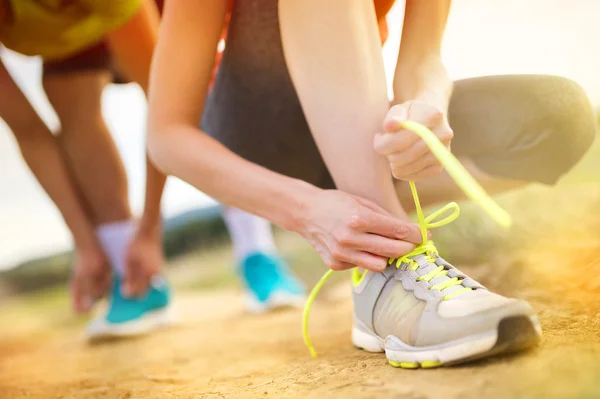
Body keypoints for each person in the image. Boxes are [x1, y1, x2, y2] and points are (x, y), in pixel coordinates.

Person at [142, 0, 596, 366]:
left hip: (353, 125)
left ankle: (371, 224)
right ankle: (390, 269)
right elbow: (166, 136)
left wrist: (424, 103)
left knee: (560, 117)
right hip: (261, 137)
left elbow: (423, 58)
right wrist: (305, 209)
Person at [0, 0, 304, 342]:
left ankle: (257, 254)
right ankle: (137, 283)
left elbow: (166, 106)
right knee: (69, 98)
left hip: (144, 9)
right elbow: (29, 133)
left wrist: (149, 231)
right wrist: (85, 244)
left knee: (197, 82)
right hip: (67, 32)